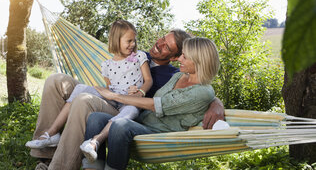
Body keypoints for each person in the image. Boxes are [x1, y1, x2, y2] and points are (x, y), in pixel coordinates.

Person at [29, 28, 223, 170]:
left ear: (175, 56)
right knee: (56, 81)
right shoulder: (137, 55)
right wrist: (106, 88)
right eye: (163, 38)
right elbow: (116, 48)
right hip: (108, 95)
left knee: (84, 101)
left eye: (167, 47)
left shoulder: (173, 73)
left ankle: (60, 166)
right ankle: (45, 152)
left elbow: (196, 92)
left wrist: (216, 102)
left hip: (125, 109)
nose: (159, 44)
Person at [84, 37, 220, 170]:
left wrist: (115, 96)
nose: (179, 59)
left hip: (159, 133)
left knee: (121, 126)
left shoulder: (202, 92)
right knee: (95, 118)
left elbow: (157, 105)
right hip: (142, 122)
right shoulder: (180, 76)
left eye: (184, 56)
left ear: (199, 61)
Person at [25, 20, 153, 151]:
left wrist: (140, 92)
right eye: (129, 41)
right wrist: (102, 92)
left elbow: (148, 80)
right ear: (116, 40)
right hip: (113, 101)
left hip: (131, 102)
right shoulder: (107, 65)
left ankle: (96, 141)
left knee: (131, 111)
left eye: (134, 41)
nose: (133, 44)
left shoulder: (139, 56)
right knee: (80, 88)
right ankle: (52, 132)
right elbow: (109, 88)